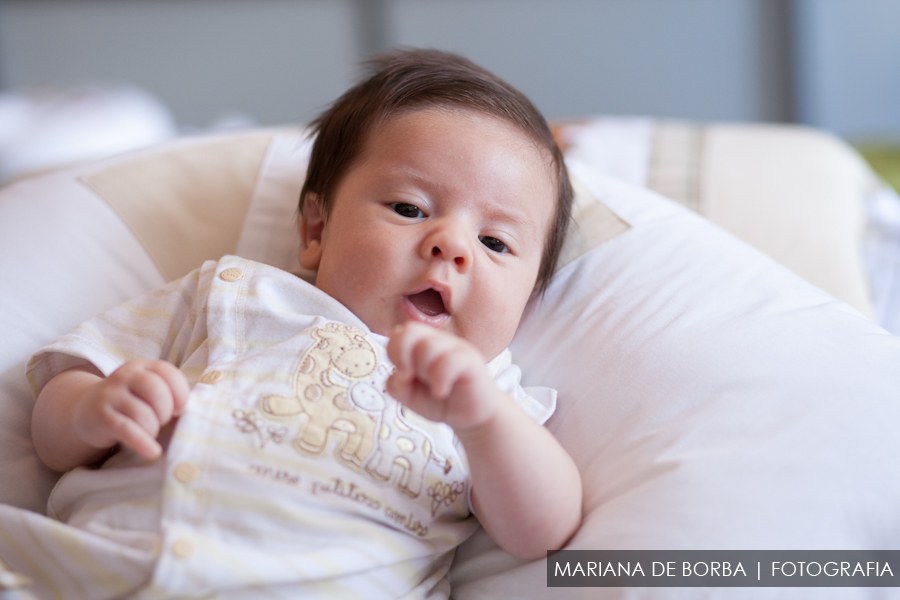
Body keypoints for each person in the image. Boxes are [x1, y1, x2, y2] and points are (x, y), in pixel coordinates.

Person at [2, 49, 581, 599]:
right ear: (315, 231)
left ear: (529, 295)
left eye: (495, 242)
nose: (451, 245)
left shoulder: (486, 393)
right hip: (99, 565)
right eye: (409, 208)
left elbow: (542, 531)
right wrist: (91, 408)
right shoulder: (232, 292)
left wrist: (483, 419)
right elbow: (51, 431)